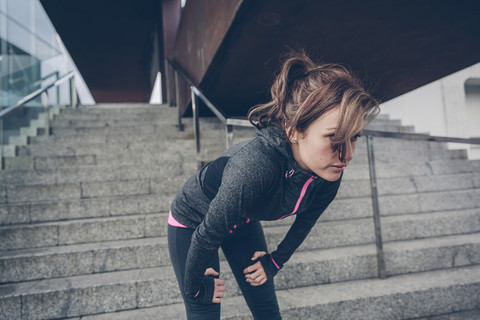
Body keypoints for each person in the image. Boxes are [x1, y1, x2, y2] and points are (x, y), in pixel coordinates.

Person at [168, 50, 379, 319]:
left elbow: (306, 220)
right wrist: (195, 287)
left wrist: (276, 260)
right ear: (293, 130)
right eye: (334, 138)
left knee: (267, 309)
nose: (347, 155)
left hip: (242, 220)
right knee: (204, 311)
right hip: (194, 222)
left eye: (355, 137)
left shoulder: (329, 171)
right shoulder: (256, 166)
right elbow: (207, 233)